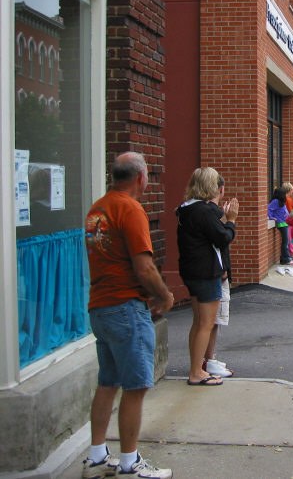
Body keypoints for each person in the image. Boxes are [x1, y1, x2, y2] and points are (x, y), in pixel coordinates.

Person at [83, 152, 174, 479]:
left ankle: (95, 457)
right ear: (140, 178)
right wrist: (164, 295)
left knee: (108, 381)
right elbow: (144, 267)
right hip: (126, 309)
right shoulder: (130, 209)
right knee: (135, 386)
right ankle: (129, 462)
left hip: (100, 307)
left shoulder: (98, 209)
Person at [177, 167, 238, 387]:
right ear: (213, 187)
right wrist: (231, 220)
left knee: (198, 323)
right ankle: (196, 372)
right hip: (206, 272)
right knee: (206, 323)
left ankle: (197, 367)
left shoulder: (188, 209)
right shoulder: (203, 211)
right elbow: (222, 237)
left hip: (193, 271)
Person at [201, 175, 238, 379]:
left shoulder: (202, 212)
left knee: (209, 321)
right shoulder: (208, 212)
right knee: (210, 321)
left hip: (211, 272)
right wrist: (230, 220)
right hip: (214, 274)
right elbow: (222, 239)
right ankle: (206, 361)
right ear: (220, 189)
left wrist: (225, 220)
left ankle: (208, 359)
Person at [267, 186, 293, 272]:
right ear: (281, 194)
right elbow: (269, 209)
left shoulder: (281, 201)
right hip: (281, 223)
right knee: (285, 241)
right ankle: (285, 258)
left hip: (285, 222)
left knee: (286, 241)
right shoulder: (275, 201)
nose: (286, 195)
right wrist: (271, 217)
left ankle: (284, 257)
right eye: (284, 193)